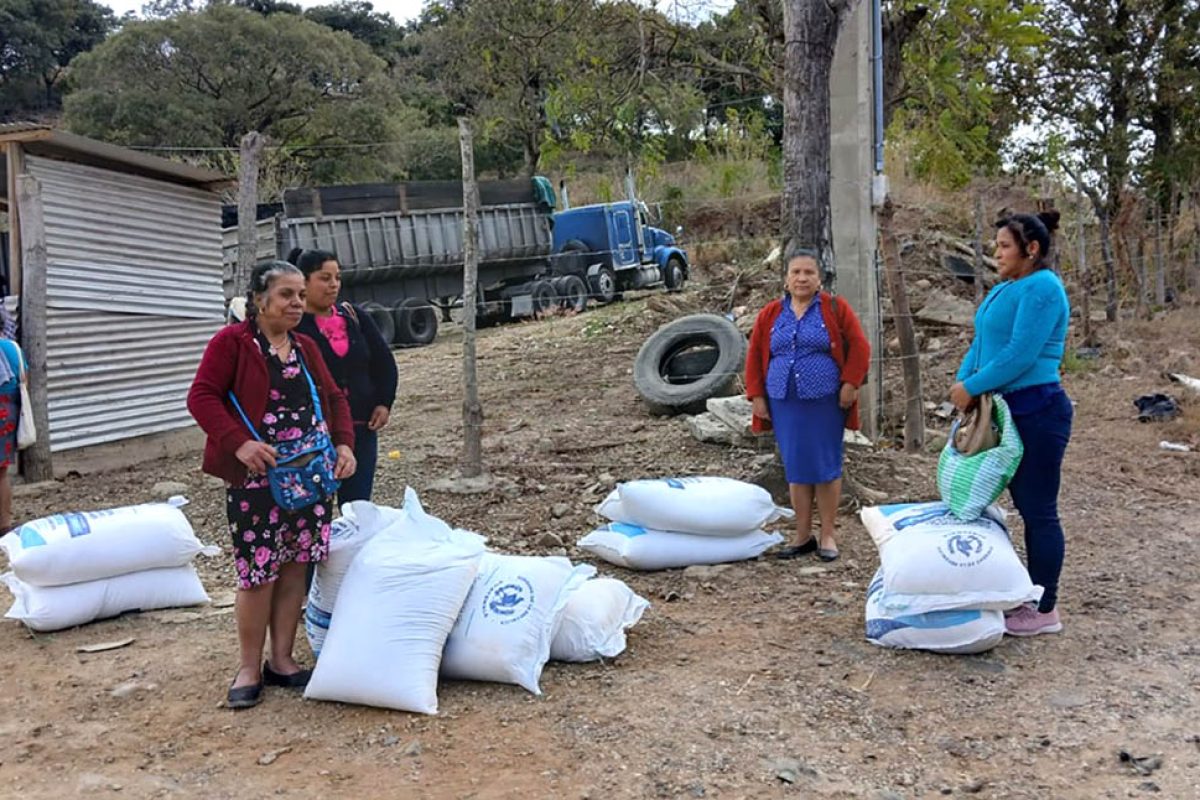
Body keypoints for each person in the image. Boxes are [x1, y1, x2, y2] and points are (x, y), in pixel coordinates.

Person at [188, 261, 356, 709]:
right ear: (260, 300)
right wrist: (239, 443)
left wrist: (344, 444)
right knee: (258, 572)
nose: (297, 303)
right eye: (286, 295)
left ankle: (282, 660)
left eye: (300, 294)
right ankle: (249, 667)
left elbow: (334, 397)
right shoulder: (232, 343)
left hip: (310, 477)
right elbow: (201, 396)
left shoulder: (304, 346)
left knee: (297, 565)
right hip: (257, 481)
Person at [950, 211, 1071, 637]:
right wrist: (963, 384)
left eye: (1004, 246)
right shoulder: (1006, 288)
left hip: (1038, 409)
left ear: (1031, 249)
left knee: (1038, 510)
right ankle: (1020, 593)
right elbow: (983, 342)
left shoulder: (1043, 288)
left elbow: (1020, 354)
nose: (997, 253)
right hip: (1006, 409)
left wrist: (972, 386)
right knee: (999, 500)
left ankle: (1044, 608)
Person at [745, 250, 871, 562]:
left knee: (826, 466)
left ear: (819, 279)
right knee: (796, 468)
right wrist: (757, 395)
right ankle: (802, 536)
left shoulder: (834, 308)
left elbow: (860, 346)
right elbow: (755, 354)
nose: (802, 278)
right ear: (786, 279)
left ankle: (827, 534)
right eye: (796, 272)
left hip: (824, 401)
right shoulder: (771, 313)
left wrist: (850, 383)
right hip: (784, 402)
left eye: (809, 273)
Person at [289, 248, 397, 505]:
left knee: (357, 504)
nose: (334, 285)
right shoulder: (293, 327)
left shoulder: (354, 317)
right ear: (304, 281)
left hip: (361, 426)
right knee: (314, 504)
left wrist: (384, 402)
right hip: (314, 433)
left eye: (337, 277)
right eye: (325, 278)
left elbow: (384, 363)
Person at [0, 333, 27, 535]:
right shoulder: (14, 348)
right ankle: (4, 525)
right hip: (9, 413)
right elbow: (24, 380)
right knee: (1, 472)